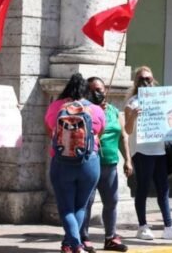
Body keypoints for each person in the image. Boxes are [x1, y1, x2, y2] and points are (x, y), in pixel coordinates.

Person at [45, 73, 105, 253]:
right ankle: (70, 244)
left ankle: (76, 245)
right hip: (89, 162)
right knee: (81, 206)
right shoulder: (95, 108)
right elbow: (100, 131)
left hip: (62, 162)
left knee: (66, 208)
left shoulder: (57, 106)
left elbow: (49, 128)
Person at [124, 67, 172, 241]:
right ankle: (142, 226)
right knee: (143, 187)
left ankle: (168, 226)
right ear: (137, 83)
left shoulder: (161, 101)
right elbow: (128, 130)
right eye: (142, 79)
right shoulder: (133, 103)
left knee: (163, 188)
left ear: (154, 80)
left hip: (159, 150)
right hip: (142, 151)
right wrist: (133, 117)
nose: (146, 82)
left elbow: (168, 123)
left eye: (149, 79)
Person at [80, 77, 132, 252]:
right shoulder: (85, 111)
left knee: (111, 201)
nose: (98, 93)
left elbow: (123, 136)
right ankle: (83, 238)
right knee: (87, 202)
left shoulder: (114, 111)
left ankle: (110, 237)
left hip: (110, 164)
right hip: (91, 163)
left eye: (101, 89)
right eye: (94, 89)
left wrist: (128, 160)